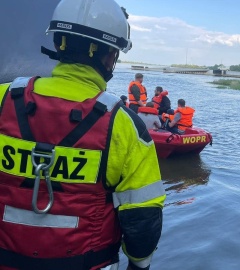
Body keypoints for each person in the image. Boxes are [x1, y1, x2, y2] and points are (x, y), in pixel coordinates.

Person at [0, 1, 165, 270]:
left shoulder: (3, 99)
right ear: (111, 56)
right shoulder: (124, 125)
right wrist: (139, 265)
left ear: (57, 41)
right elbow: (143, 221)